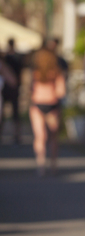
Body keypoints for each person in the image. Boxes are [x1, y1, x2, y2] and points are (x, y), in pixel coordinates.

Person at [29, 46, 66, 176]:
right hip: (51, 105)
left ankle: (41, 165)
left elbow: (30, 90)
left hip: (38, 104)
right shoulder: (56, 72)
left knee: (40, 136)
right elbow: (61, 92)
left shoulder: (35, 72)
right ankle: (53, 164)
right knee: (52, 137)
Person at [2, 38, 24, 144]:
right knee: (15, 113)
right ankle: (17, 136)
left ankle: (14, 135)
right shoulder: (17, 57)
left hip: (7, 87)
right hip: (13, 87)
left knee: (5, 113)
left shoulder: (5, 58)